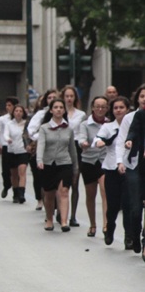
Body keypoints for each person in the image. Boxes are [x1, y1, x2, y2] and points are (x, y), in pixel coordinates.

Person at [36, 99, 78, 232]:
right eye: (56, 107)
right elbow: (41, 145)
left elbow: (72, 149)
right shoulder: (44, 128)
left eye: (61, 107)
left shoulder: (69, 129)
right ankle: (49, 219)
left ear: (64, 110)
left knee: (64, 191)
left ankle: (64, 222)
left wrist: (75, 167)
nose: (58, 109)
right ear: (51, 110)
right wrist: (39, 160)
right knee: (49, 194)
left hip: (65, 163)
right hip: (48, 164)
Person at [95, 96, 129, 247]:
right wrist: (100, 142)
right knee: (113, 204)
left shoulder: (132, 125)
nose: (118, 110)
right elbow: (97, 139)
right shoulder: (108, 127)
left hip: (129, 168)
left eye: (121, 107)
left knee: (128, 204)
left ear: (127, 109)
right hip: (111, 168)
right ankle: (110, 229)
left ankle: (129, 236)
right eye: (116, 108)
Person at [76, 96, 108, 238]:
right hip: (88, 161)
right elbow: (81, 138)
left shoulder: (109, 124)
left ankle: (106, 224)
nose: (100, 109)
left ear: (107, 108)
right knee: (91, 194)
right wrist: (83, 143)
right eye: (97, 106)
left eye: (103, 107)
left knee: (105, 192)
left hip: (104, 161)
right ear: (92, 108)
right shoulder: (85, 124)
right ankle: (93, 224)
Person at [122, 84, 145, 257]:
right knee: (136, 209)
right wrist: (129, 141)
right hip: (137, 166)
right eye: (143, 96)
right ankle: (135, 235)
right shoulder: (139, 115)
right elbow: (133, 131)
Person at [27, 89, 59, 210]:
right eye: (49, 98)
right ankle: (44, 202)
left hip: (60, 151)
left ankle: (59, 206)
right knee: (44, 178)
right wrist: (43, 138)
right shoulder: (41, 114)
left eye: (54, 97)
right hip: (44, 150)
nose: (52, 100)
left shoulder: (63, 113)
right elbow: (31, 131)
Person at [61, 85, 86, 228]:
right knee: (61, 182)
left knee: (75, 182)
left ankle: (73, 216)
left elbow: (82, 131)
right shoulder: (58, 111)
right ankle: (61, 211)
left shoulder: (81, 114)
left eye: (71, 96)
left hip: (76, 146)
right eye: (67, 96)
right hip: (62, 145)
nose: (69, 99)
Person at [3, 105, 28, 203]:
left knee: (22, 171)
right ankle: (15, 193)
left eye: (20, 111)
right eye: (16, 111)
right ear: (13, 113)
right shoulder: (9, 124)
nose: (18, 113)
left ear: (23, 113)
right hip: (12, 151)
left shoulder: (26, 123)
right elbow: (5, 134)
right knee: (14, 174)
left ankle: (22, 194)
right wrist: (8, 139)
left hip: (23, 151)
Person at [0, 97, 17, 198]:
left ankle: (17, 193)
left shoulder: (20, 119)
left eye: (10, 105)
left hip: (18, 147)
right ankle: (7, 186)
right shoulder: (2, 119)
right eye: (6, 105)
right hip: (6, 147)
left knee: (17, 171)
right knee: (6, 171)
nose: (7, 107)